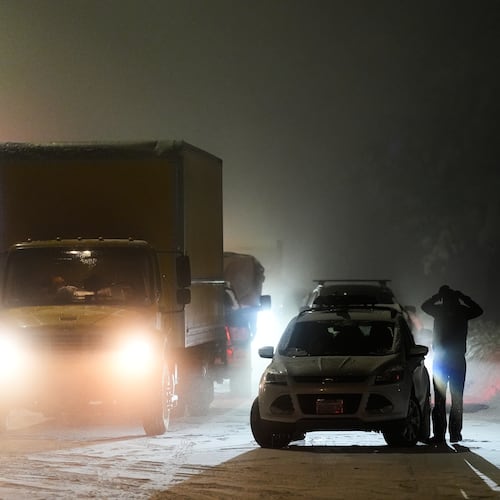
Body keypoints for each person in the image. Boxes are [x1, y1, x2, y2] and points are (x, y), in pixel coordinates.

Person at [421, 285, 483, 444]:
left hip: (441, 360)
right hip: (457, 360)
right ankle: (455, 434)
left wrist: (437, 296)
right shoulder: (462, 311)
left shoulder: (439, 310)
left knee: (440, 400)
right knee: (457, 399)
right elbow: (478, 310)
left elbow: (424, 306)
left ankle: (440, 435)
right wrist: (463, 296)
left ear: (443, 298)